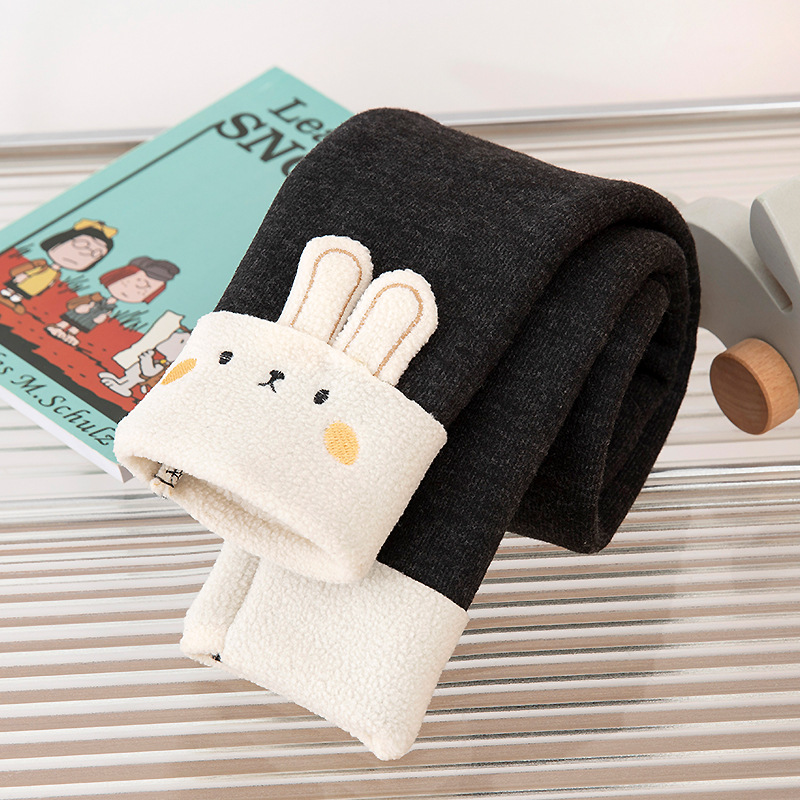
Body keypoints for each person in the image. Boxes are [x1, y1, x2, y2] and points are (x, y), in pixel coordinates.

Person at [46, 256, 179, 347]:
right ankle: (60, 326)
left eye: (143, 291)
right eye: (127, 283)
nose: (132, 290)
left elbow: (105, 314)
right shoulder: (97, 297)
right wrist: (86, 304)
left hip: (91, 318)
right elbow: (76, 302)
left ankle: (71, 333)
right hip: (85, 309)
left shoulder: (110, 307)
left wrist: (101, 318)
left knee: (82, 324)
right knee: (74, 317)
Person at [0, 219, 116, 314]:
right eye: (82, 243)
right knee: (17, 286)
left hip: (34, 287)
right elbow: (21, 270)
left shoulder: (58, 274)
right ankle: (8, 291)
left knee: (25, 292)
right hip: (25, 279)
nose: (84, 253)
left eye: (96, 254)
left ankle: (17, 297)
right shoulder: (41, 263)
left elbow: (49, 284)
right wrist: (22, 274)